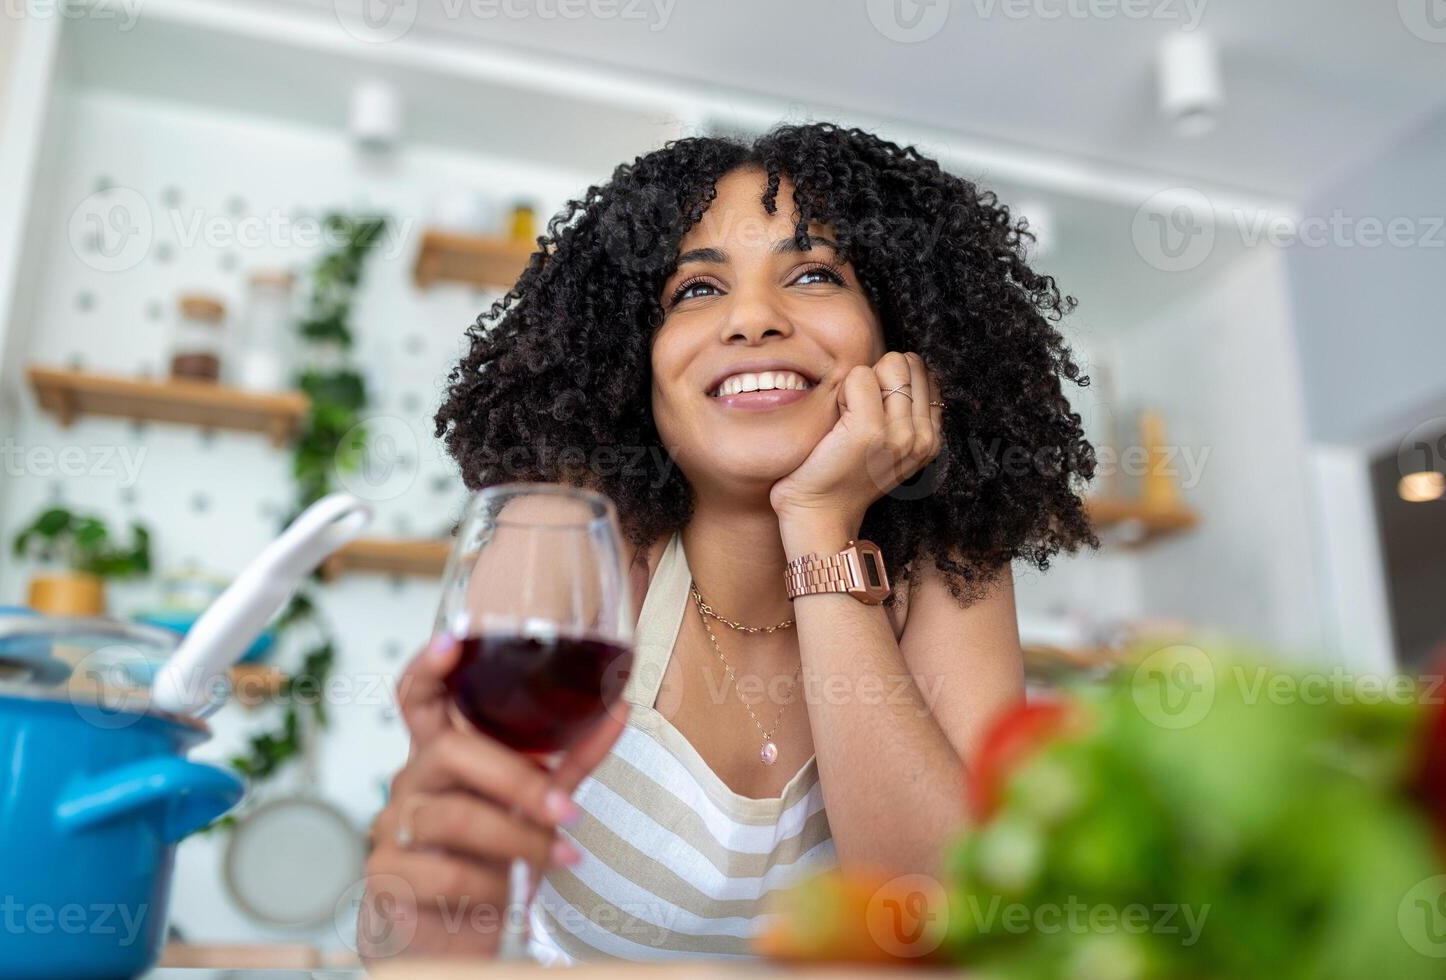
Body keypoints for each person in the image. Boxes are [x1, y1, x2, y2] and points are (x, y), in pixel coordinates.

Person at [360, 122, 1096, 963]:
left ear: (903, 347)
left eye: (815, 274)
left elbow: (947, 929)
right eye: (696, 290)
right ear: (638, 361)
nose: (751, 319)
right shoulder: (572, 540)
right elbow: (419, 930)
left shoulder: (946, 565)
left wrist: (819, 523)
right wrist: (420, 877)